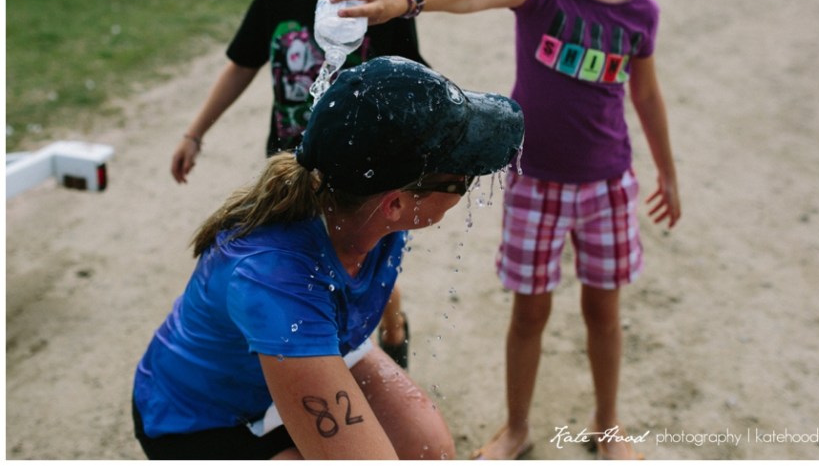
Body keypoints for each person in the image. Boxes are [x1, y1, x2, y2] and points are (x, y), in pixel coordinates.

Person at [334, 0, 681, 460]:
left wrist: (667, 171)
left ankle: (607, 424)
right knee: (530, 313)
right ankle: (517, 427)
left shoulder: (640, 13)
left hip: (607, 186)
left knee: (604, 313)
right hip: (535, 184)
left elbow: (646, 93)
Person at [133, 56, 526, 460]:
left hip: (296, 355)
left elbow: (366, 282)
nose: (467, 183)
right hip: (197, 421)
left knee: (429, 450)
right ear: (396, 203)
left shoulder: (359, 203)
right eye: (462, 179)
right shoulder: (275, 280)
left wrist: (394, 334)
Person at [169, 0, 422, 368]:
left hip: (365, 168)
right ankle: (321, 349)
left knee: (366, 258)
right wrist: (194, 133)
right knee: (299, 257)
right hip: (293, 163)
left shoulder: (384, 2)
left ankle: (392, 328)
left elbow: (413, 80)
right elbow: (241, 66)